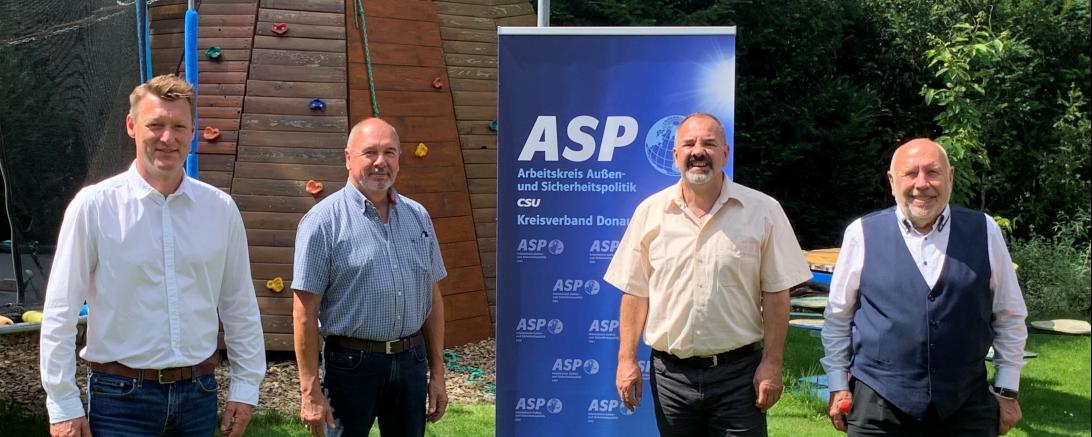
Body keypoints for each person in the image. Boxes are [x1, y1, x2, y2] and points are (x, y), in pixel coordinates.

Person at [39, 74, 266, 437]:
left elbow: (239, 305)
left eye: (179, 126)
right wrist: (62, 402)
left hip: (199, 395)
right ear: (132, 126)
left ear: (193, 131)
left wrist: (245, 387)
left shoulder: (220, 210)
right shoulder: (94, 206)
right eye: (155, 125)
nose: (167, 138)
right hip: (120, 401)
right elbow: (60, 312)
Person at [605, 113, 813, 436]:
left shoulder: (764, 211)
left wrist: (772, 363)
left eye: (709, 143)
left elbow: (777, 293)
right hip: (671, 378)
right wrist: (626, 359)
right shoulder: (649, 213)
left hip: (738, 377)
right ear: (675, 156)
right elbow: (635, 291)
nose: (698, 151)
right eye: (688, 143)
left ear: (725, 154)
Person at [821, 138, 1028, 436]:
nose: (922, 184)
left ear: (951, 178)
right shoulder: (862, 234)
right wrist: (838, 385)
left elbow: (1009, 314)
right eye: (910, 173)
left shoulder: (984, 230)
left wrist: (1007, 389)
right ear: (892, 181)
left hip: (966, 405)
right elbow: (838, 317)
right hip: (879, 406)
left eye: (933, 172)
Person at [292, 118, 448, 437]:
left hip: (410, 362)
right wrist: (310, 392)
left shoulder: (418, 216)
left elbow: (432, 297)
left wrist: (438, 373)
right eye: (370, 153)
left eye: (390, 152)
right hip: (349, 366)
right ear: (348, 157)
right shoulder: (322, 222)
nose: (381, 162)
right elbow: (303, 313)